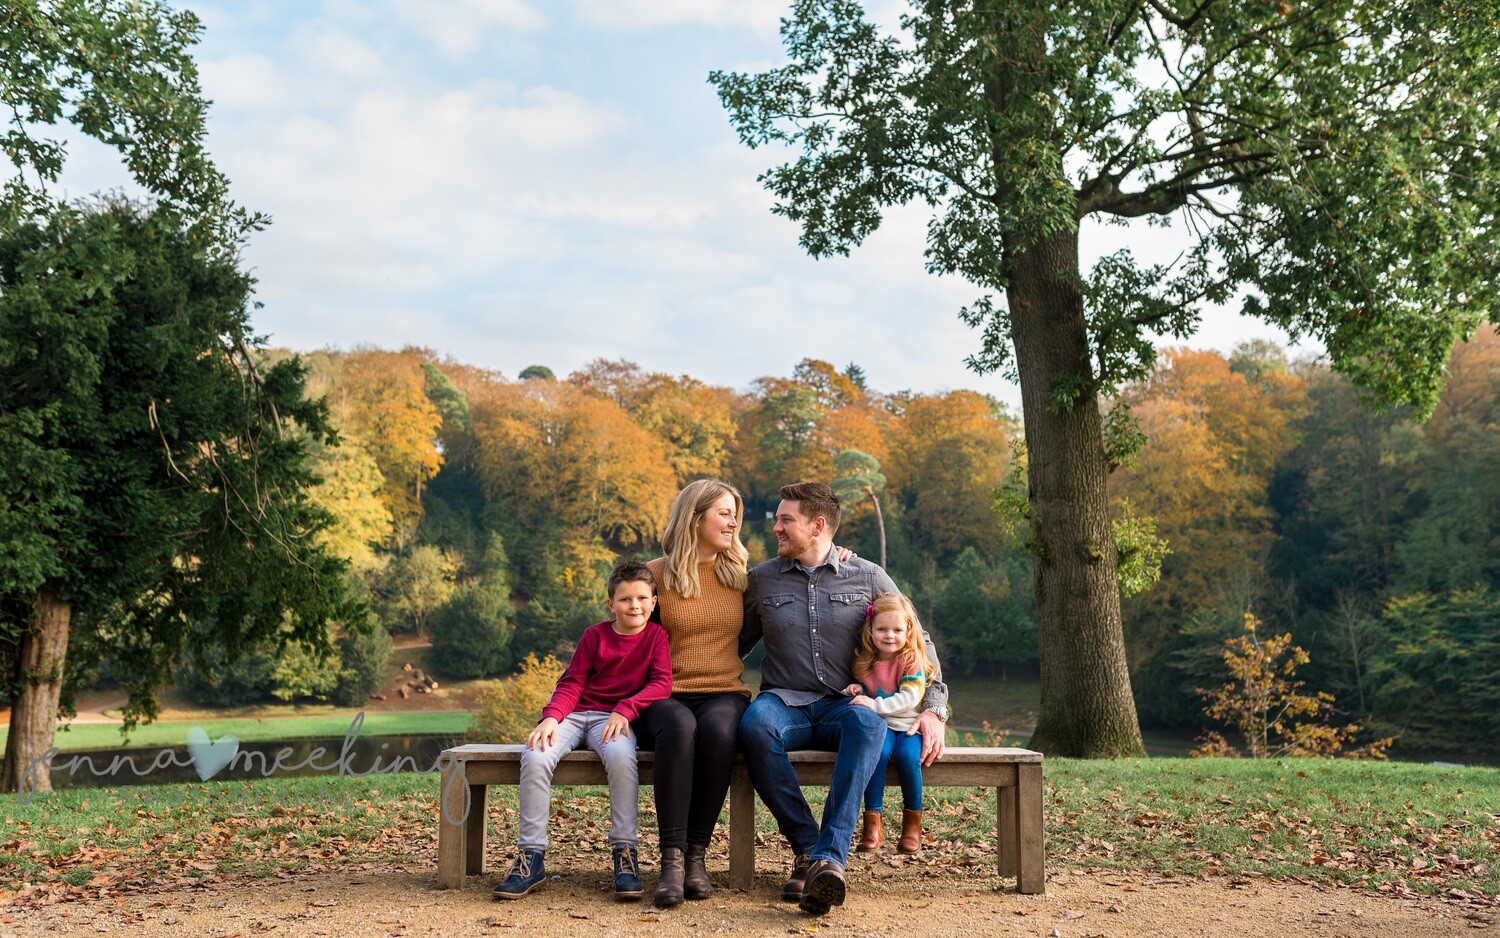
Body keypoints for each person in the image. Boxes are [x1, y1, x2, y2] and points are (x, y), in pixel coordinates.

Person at [633, 479, 859, 907]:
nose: (733, 521)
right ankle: (672, 860)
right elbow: (624, 637)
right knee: (680, 726)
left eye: (734, 512)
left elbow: (806, 574)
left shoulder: (742, 577)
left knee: (721, 732)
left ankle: (697, 855)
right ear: (695, 517)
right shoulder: (656, 575)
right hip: (665, 692)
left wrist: (836, 554)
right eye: (723, 512)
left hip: (723, 689)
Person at [739, 482, 949, 916]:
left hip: (848, 703)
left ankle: (828, 860)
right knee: (754, 727)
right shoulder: (762, 579)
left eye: (785, 520)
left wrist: (934, 709)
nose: (775, 527)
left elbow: (917, 638)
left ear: (817, 526)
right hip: (784, 702)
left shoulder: (867, 575)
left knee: (869, 724)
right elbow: (731, 644)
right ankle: (811, 850)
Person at [493, 560, 671, 902]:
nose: (633, 605)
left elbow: (661, 682)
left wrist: (626, 708)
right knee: (535, 753)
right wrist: (551, 717)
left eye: (641, 598)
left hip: (614, 719)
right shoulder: (595, 635)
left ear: (653, 602)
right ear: (611, 604)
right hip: (575, 715)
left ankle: (625, 854)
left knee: (621, 757)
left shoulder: (656, 637)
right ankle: (531, 857)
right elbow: (572, 682)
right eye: (624, 599)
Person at [844, 593, 932, 855]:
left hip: (908, 725)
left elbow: (910, 697)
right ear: (870, 629)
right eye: (882, 629)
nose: (889, 636)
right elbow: (870, 692)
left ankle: (912, 824)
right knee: (877, 756)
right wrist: (856, 688)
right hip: (880, 726)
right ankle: (873, 823)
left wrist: (875, 705)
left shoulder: (911, 659)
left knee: (907, 758)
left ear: (908, 630)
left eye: (896, 630)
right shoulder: (864, 660)